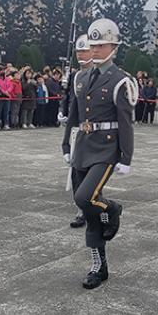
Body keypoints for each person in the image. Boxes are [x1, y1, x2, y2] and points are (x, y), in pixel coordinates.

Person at [60, 18, 136, 289]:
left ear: (113, 46)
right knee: (88, 209)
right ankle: (98, 266)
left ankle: (113, 210)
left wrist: (126, 157)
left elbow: (126, 122)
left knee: (85, 197)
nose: (94, 50)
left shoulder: (121, 80)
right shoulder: (81, 77)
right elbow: (75, 115)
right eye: (92, 45)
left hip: (106, 148)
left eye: (100, 45)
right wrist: (66, 145)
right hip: (83, 144)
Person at [65, 34, 95, 229]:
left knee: (93, 175)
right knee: (77, 173)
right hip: (81, 132)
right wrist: (66, 141)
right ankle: (82, 209)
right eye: (78, 51)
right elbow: (73, 105)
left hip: (100, 135)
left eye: (84, 50)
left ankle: (96, 208)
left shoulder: (103, 74)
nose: (80, 54)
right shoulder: (76, 76)